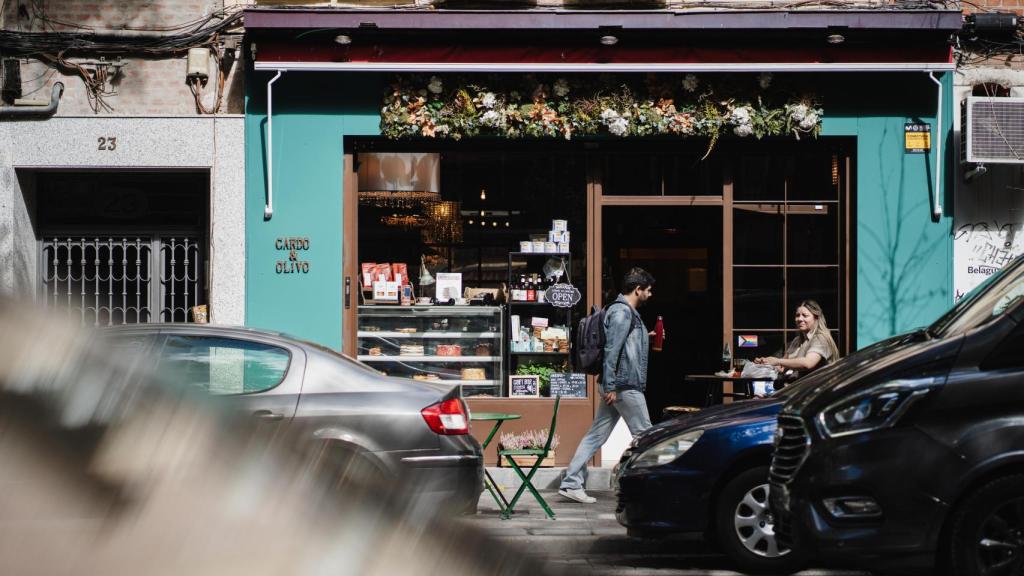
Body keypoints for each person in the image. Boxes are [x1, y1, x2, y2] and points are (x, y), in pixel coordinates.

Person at [559, 267, 658, 504]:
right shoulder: (623, 313)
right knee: (646, 435)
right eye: (648, 290)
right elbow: (612, 350)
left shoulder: (624, 312)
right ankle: (652, 484)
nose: (650, 294)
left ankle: (571, 482)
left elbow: (623, 344)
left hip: (617, 384)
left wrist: (647, 336)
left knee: (596, 435)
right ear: (638, 289)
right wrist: (612, 386)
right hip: (623, 385)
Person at [754, 299, 840, 381]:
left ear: (816, 317)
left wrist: (777, 360)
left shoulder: (821, 338)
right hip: (797, 390)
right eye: (797, 315)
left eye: (805, 315)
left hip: (817, 392)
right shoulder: (797, 340)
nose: (800, 319)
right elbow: (782, 367)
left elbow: (808, 363)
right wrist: (766, 362)